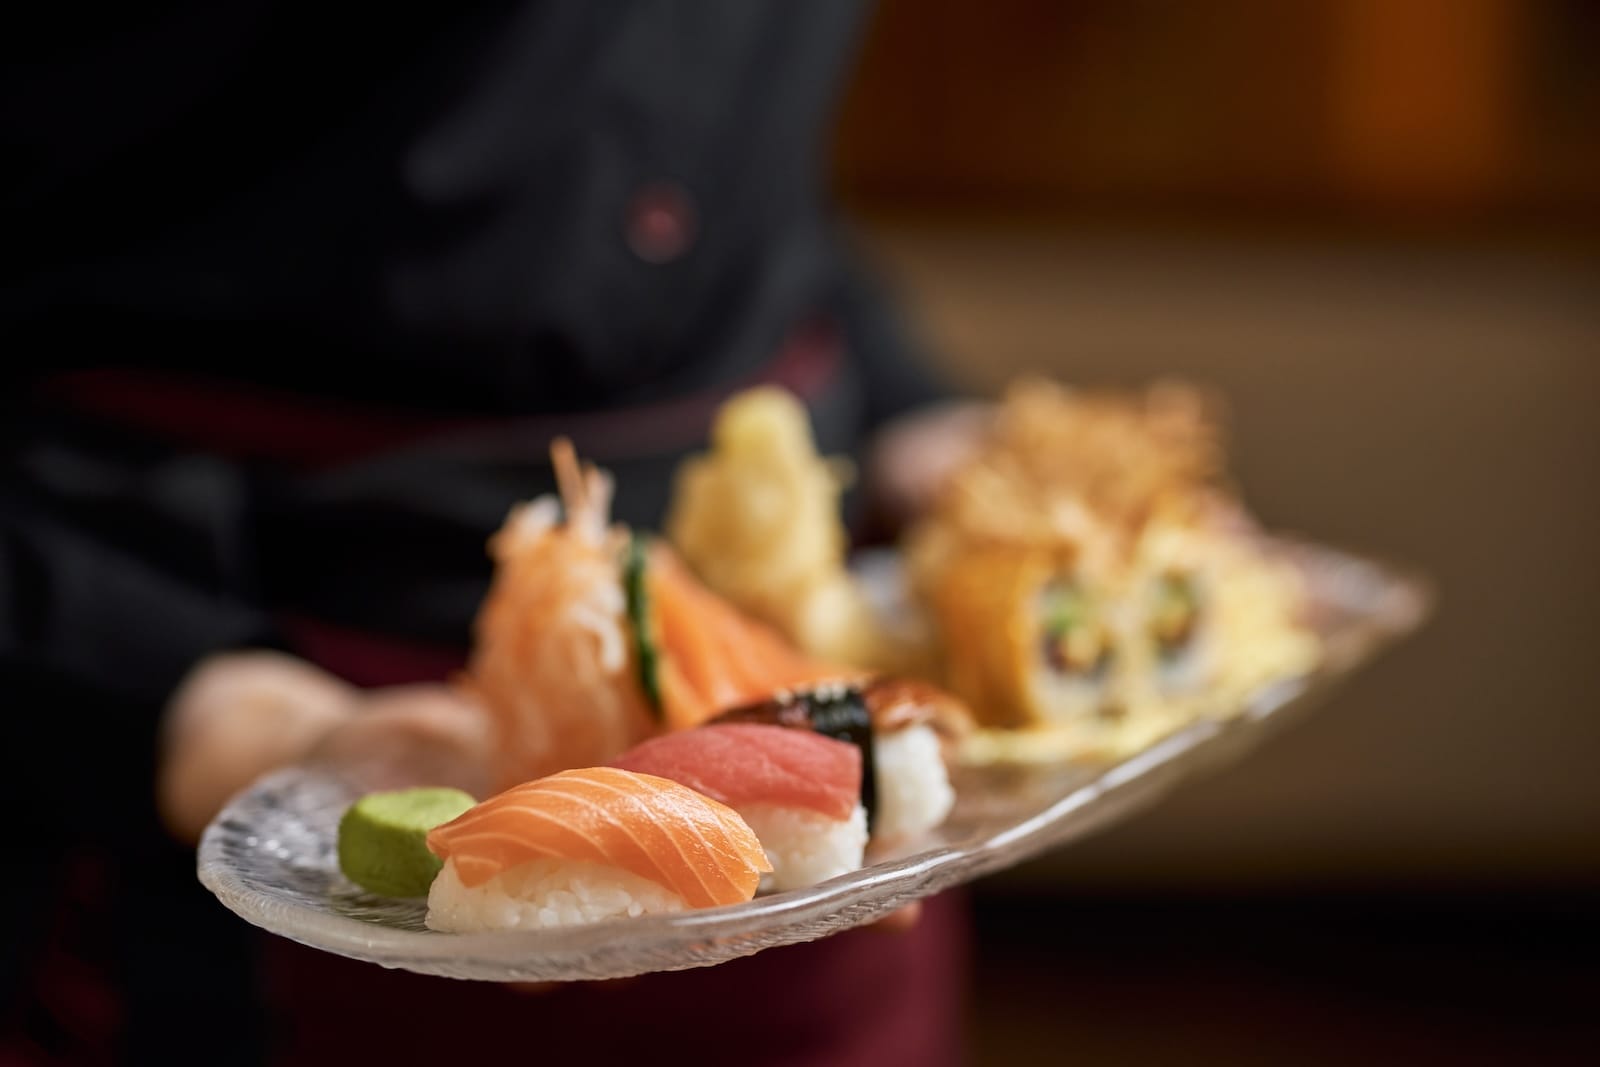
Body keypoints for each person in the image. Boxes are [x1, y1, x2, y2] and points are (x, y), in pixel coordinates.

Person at [3, 4, 973, 1064]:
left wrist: (914, 413)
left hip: (825, 842)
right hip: (216, 719)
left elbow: (714, 134)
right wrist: (169, 683)